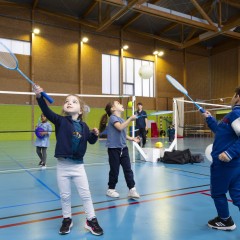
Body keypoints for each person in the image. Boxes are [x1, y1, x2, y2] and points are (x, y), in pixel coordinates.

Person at [33, 85, 103, 236]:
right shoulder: (60, 121)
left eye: (74, 101)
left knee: (86, 195)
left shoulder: (84, 126)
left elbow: (90, 140)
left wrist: (95, 134)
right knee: (65, 196)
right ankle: (67, 219)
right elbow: (46, 111)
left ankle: (91, 220)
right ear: (64, 108)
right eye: (67, 101)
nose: (69, 102)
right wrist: (39, 97)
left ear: (80, 110)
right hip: (63, 166)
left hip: (78, 167)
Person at [202, 86, 240, 231]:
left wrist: (229, 153)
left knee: (218, 192)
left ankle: (225, 221)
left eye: (233, 95)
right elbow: (221, 132)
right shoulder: (232, 116)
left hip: (225, 164)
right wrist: (210, 119)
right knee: (237, 194)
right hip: (235, 165)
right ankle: (225, 219)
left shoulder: (237, 113)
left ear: (237, 96)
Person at [105, 101, 140, 199]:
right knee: (114, 170)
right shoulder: (113, 118)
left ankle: (132, 189)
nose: (121, 104)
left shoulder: (121, 119)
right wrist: (130, 119)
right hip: (113, 149)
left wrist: (132, 139)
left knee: (128, 169)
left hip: (123, 148)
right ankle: (110, 189)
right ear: (113, 108)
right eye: (118, 103)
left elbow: (123, 133)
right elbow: (120, 127)